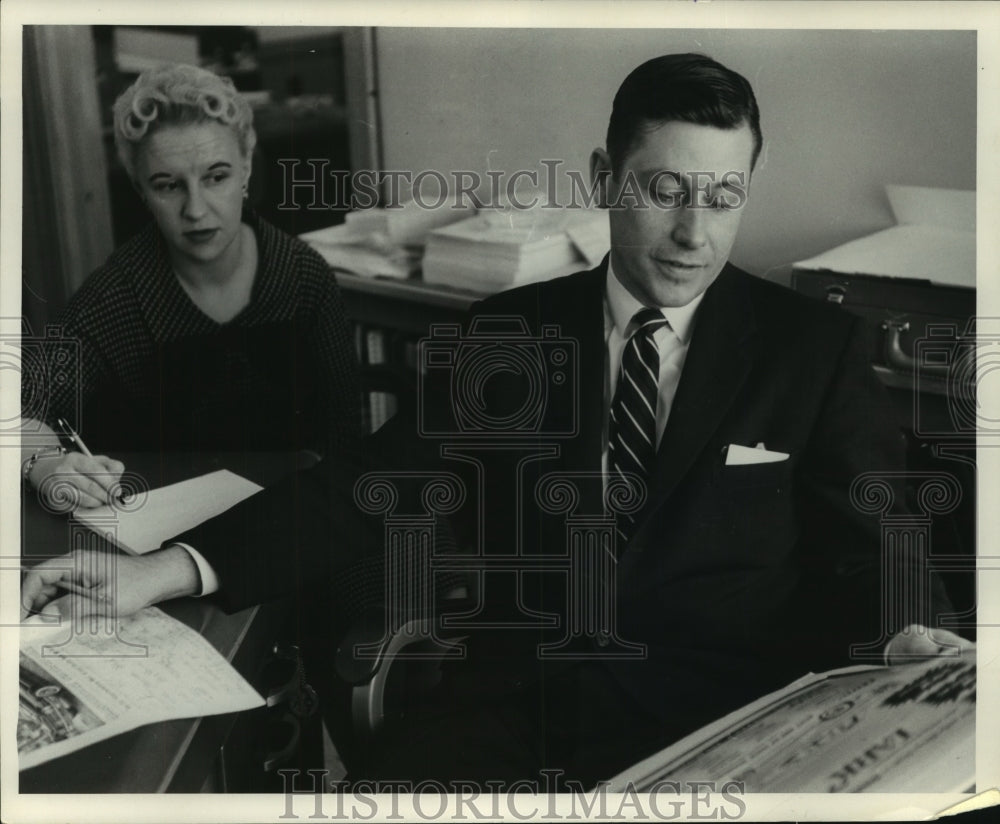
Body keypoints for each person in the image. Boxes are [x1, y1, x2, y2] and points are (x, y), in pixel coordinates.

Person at [22, 54, 971, 787]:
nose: (694, 233)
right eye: (665, 190)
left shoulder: (813, 348)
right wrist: (161, 569)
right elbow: (367, 486)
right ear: (606, 176)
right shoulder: (509, 334)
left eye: (722, 196)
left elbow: (876, 547)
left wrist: (910, 631)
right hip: (524, 703)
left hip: (732, 712)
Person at [20, 63, 360, 508]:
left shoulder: (303, 275)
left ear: (246, 171)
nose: (196, 210)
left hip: (296, 527)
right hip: (167, 542)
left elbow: (344, 441)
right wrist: (43, 464)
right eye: (168, 186)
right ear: (141, 190)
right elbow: (19, 408)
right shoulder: (112, 302)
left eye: (216, 177)